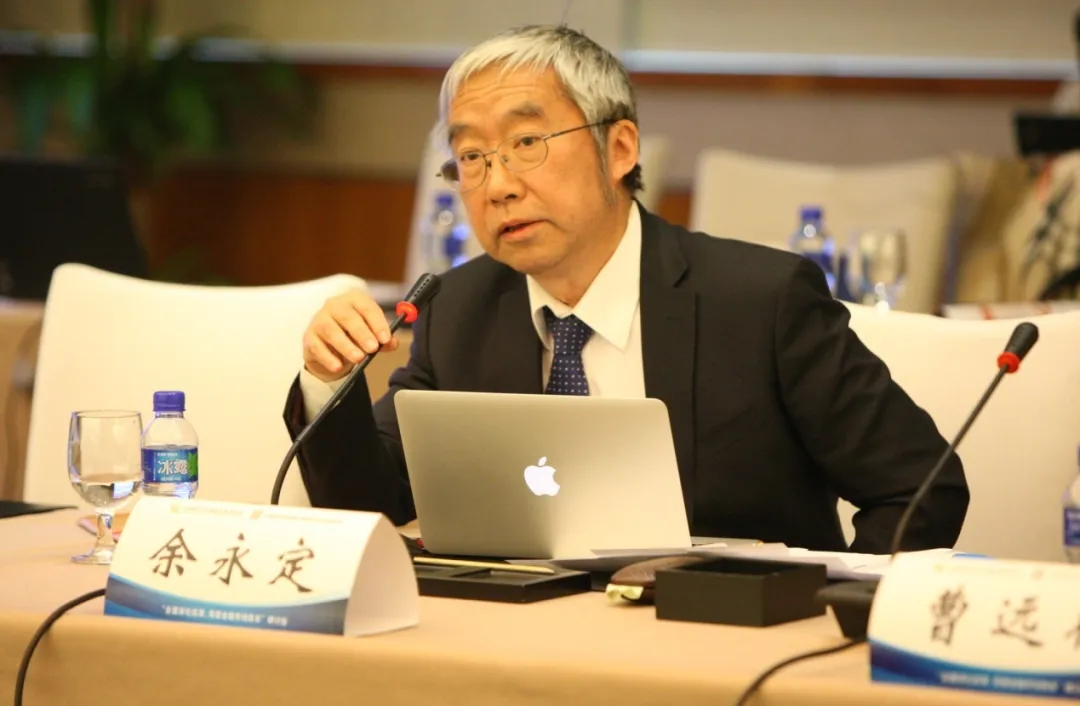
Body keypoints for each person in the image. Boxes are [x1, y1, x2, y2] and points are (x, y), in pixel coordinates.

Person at [283, 24, 968, 554]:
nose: (498, 184)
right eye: (471, 157)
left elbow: (921, 489)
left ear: (619, 149)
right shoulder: (457, 308)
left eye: (527, 143)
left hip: (719, 645)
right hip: (520, 643)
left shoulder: (761, 302)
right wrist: (328, 383)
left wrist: (825, 615)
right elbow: (374, 505)